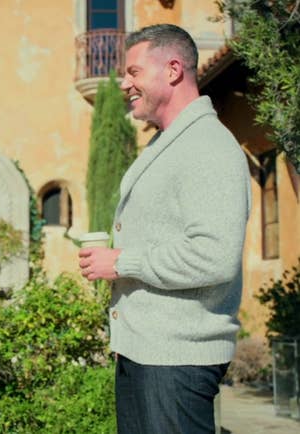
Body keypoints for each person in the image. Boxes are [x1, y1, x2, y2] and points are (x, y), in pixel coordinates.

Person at [78, 24, 251, 434]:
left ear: (173, 70)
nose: (124, 83)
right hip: (147, 355)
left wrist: (121, 262)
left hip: (176, 362)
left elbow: (214, 256)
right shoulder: (168, 143)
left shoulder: (208, 146)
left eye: (134, 72)